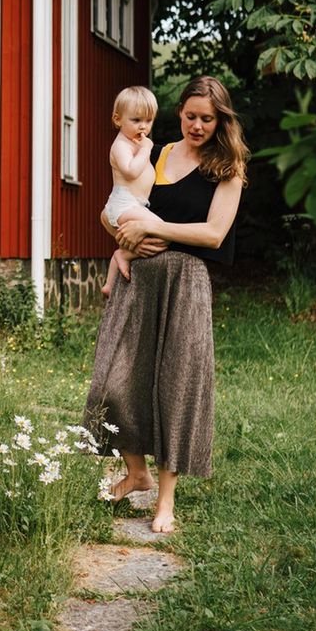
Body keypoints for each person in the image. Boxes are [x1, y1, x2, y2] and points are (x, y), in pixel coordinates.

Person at [86, 76, 249, 534]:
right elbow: (118, 203)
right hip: (138, 278)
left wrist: (155, 229)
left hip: (187, 282)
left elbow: (213, 233)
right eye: (191, 115)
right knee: (114, 379)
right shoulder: (155, 153)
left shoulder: (227, 168)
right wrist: (120, 238)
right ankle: (135, 471)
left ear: (221, 121)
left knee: (175, 387)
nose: (197, 125)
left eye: (207, 118)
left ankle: (165, 501)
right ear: (179, 112)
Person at [100, 86, 165, 298]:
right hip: (124, 204)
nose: (143, 127)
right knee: (164, 231)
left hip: (132, 204)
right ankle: (124, 255)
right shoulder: (121, 145)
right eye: (136, 120)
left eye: (148, 121)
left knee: (152, 238)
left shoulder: (135, 144)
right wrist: (146, 149)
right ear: (118, 120)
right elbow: (130, 171)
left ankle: (109, 284)